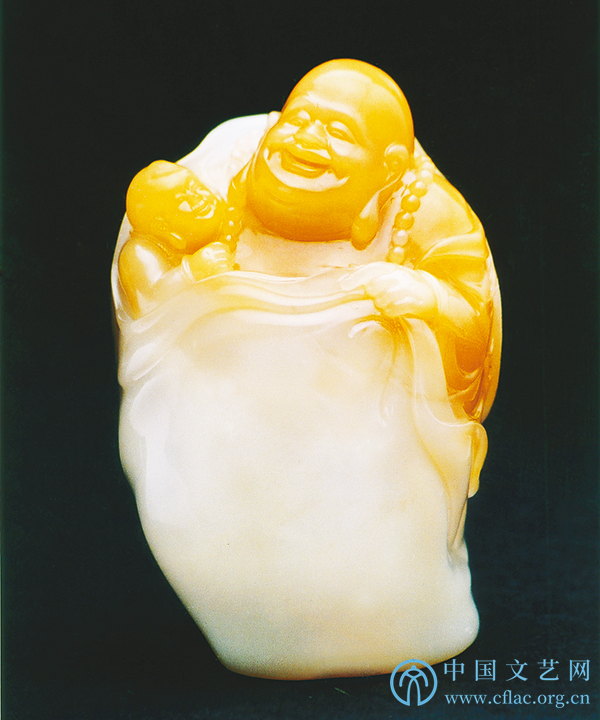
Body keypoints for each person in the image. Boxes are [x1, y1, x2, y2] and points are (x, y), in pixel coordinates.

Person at [227, 59, 500, 421]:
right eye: (297, 120)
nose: (306, 139)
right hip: (230, 396)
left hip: (357, 417)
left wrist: (431, 298)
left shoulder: (428, 214)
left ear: (389, 169)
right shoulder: (229, 162)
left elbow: (475, 329)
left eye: (339, 133)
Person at [117, 160, 233, 318]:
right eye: (182, 199)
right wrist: (192, 270)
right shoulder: (138, 253)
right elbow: (148, 304)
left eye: (195, 187)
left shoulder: (227, 208)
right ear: (161, 226)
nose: (198, 197)